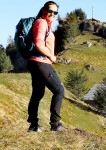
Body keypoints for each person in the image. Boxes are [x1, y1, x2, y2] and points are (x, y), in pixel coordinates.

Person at [27, 1, 65, 132]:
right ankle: (55, 124)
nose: (52, 14)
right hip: (41, 62)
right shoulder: (42, 23)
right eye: (50, 11)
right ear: (44, 10)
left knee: (37, 94)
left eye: (55, 12)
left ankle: (33, 126)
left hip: (35, 62)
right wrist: (51, 56)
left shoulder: (44, 23)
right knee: (59, 90)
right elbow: (39, 44)